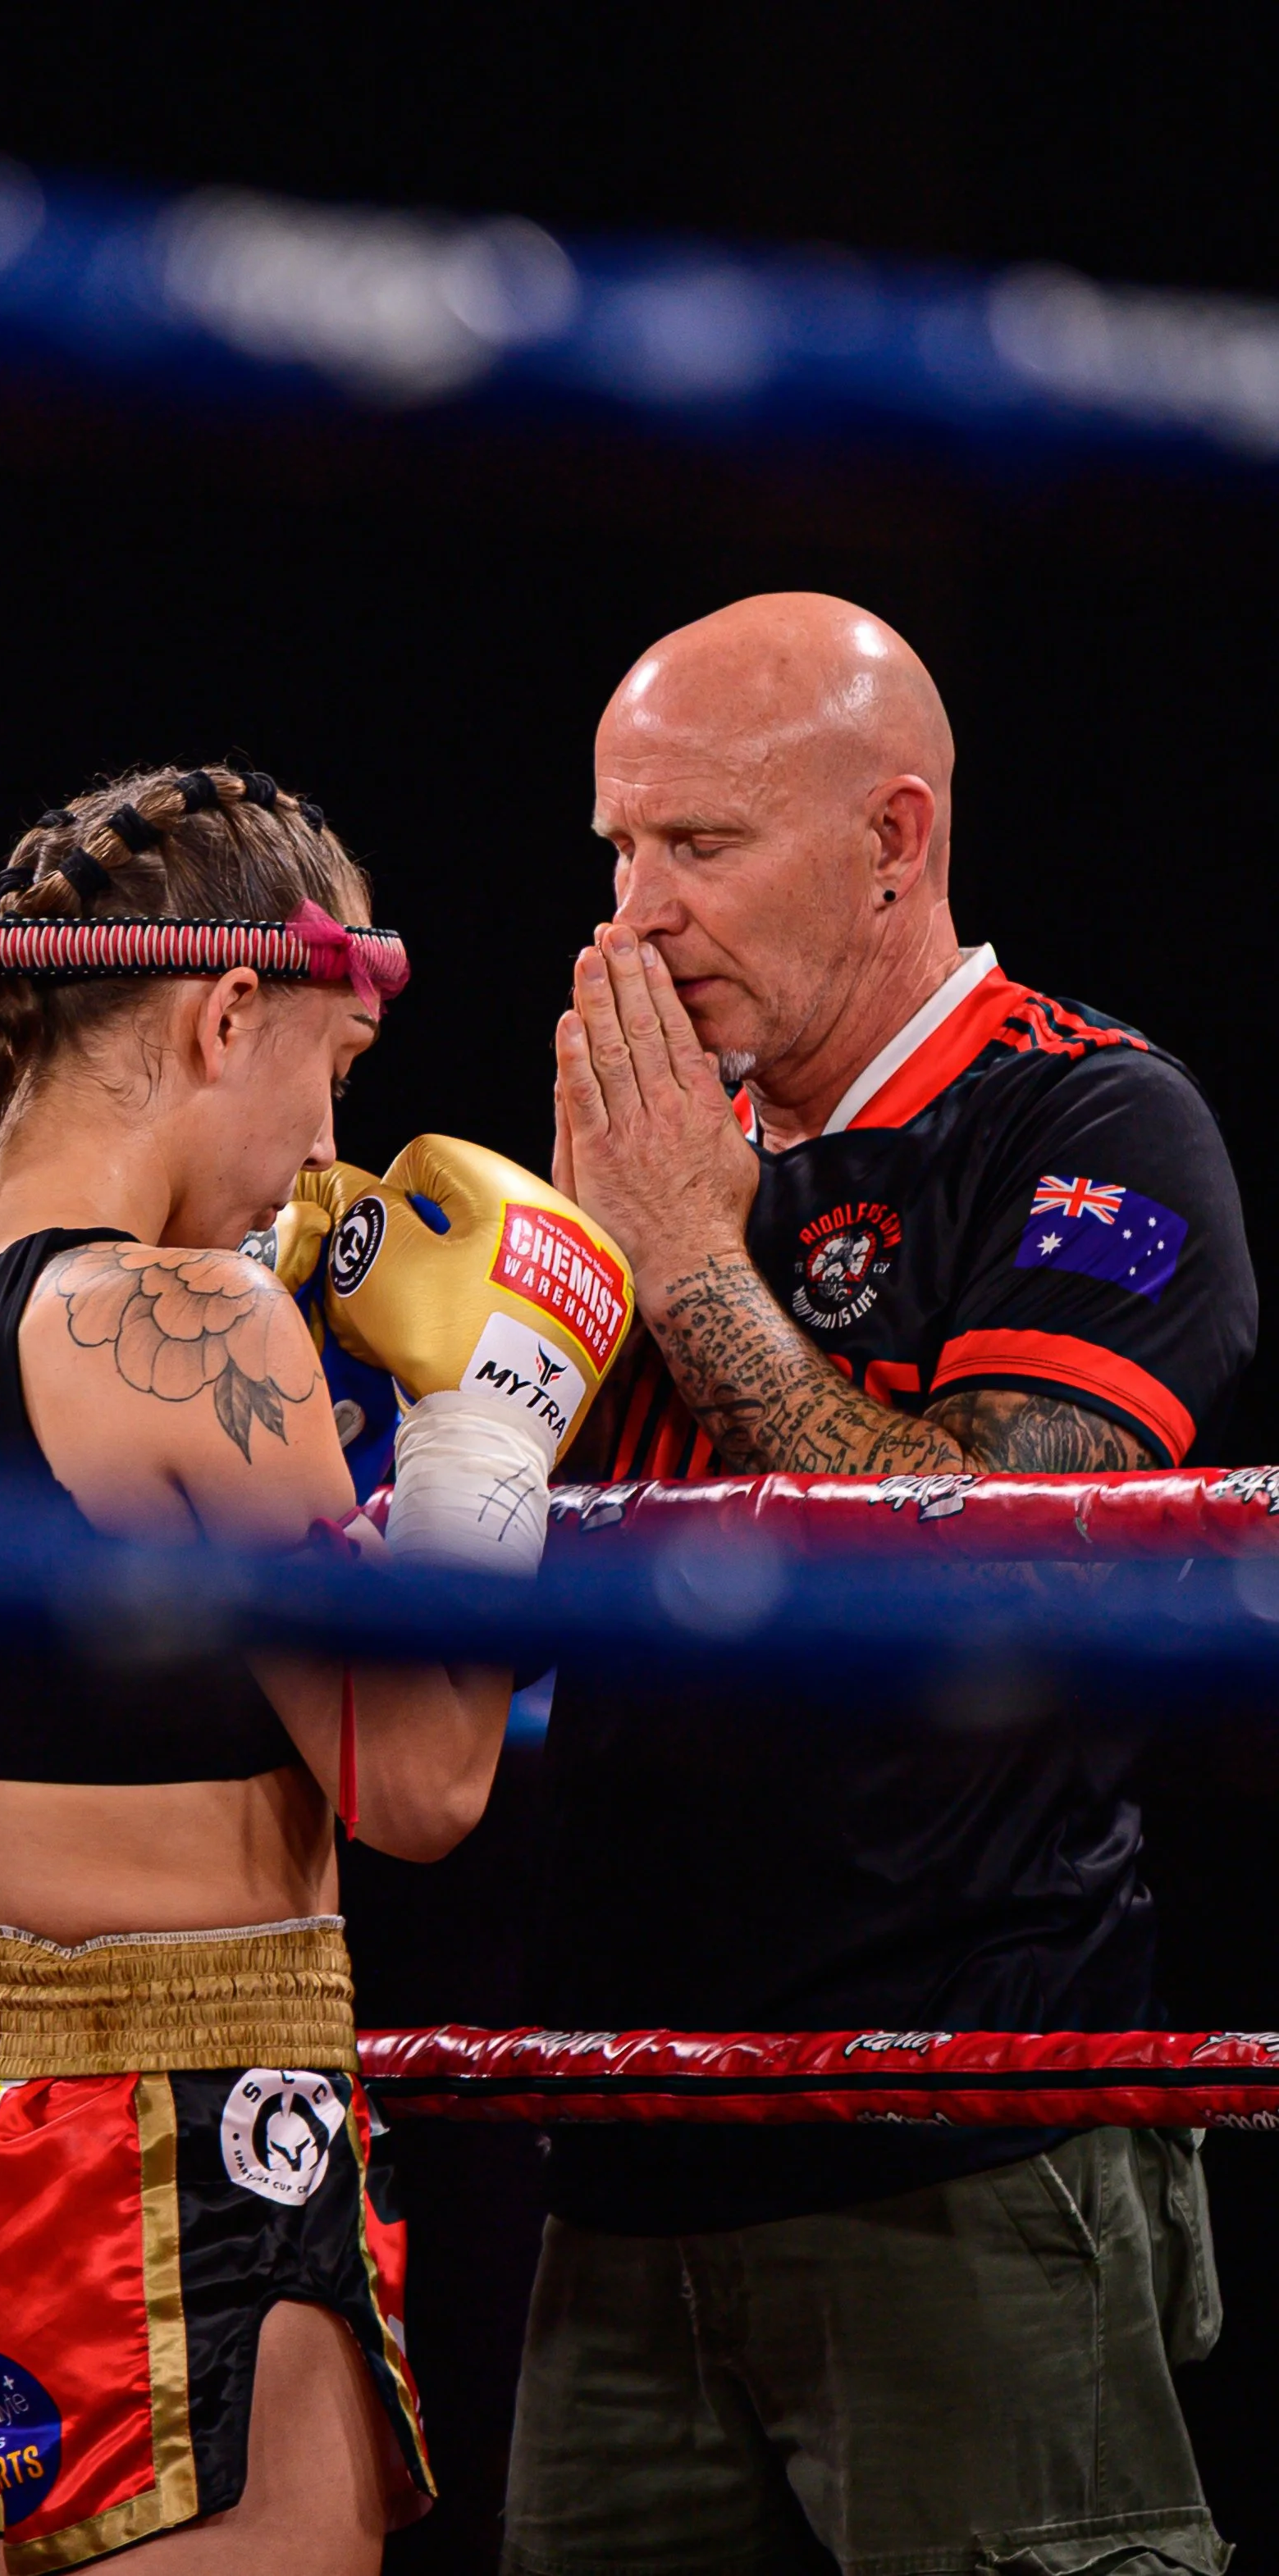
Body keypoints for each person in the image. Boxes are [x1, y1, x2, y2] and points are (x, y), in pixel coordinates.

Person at [503, 596, 1254, 2574]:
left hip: (960, 2161)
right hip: (624, 2166)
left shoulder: (1090, 1118)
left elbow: (996, 1578)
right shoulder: (648, 1156)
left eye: (703, 848)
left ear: (895, 841)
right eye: (618, 851)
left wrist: (691, 1279)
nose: (638, 913)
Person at [0, 765, 541, 2574]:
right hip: (179, 2158)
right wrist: (483, 1442)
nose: (321, 1154)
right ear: (225, 1016)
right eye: (332, 1077)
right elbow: (423, 1786)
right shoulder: (192, 1323)